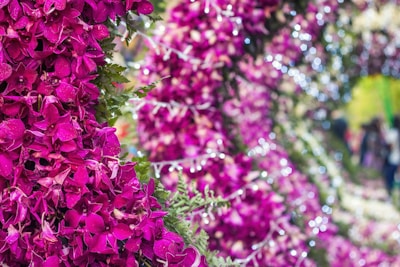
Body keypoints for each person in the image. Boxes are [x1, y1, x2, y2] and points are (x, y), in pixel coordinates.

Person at [383, 116, 400, 196]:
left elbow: (390, 145)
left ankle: (390, 191)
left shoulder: (393, 132)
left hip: (392, 157)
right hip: (397, 157)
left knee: (390, 175)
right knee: (395, 175)